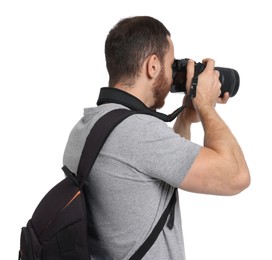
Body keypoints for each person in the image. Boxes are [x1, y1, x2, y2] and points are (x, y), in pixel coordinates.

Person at [63, 16, 250, 260]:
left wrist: (184, 118)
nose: (173, 77)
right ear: (152, 66)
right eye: (171, 64)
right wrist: (205, 104)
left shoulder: (88, 125)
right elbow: (236, 175)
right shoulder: (138, 132)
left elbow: (160, 172)